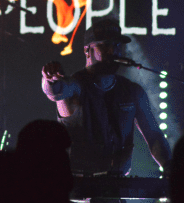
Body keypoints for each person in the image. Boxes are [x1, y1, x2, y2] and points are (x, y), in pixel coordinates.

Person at [41, 18, 171, 177]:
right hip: (77, 188)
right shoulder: (76, 86)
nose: (112, 51)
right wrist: (49, 79)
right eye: (105, 45)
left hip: (116, 186)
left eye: (117, 45)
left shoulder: (132, 91)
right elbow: (56, 91)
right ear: (87, 50)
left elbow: (154, 136)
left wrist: (169, 167)